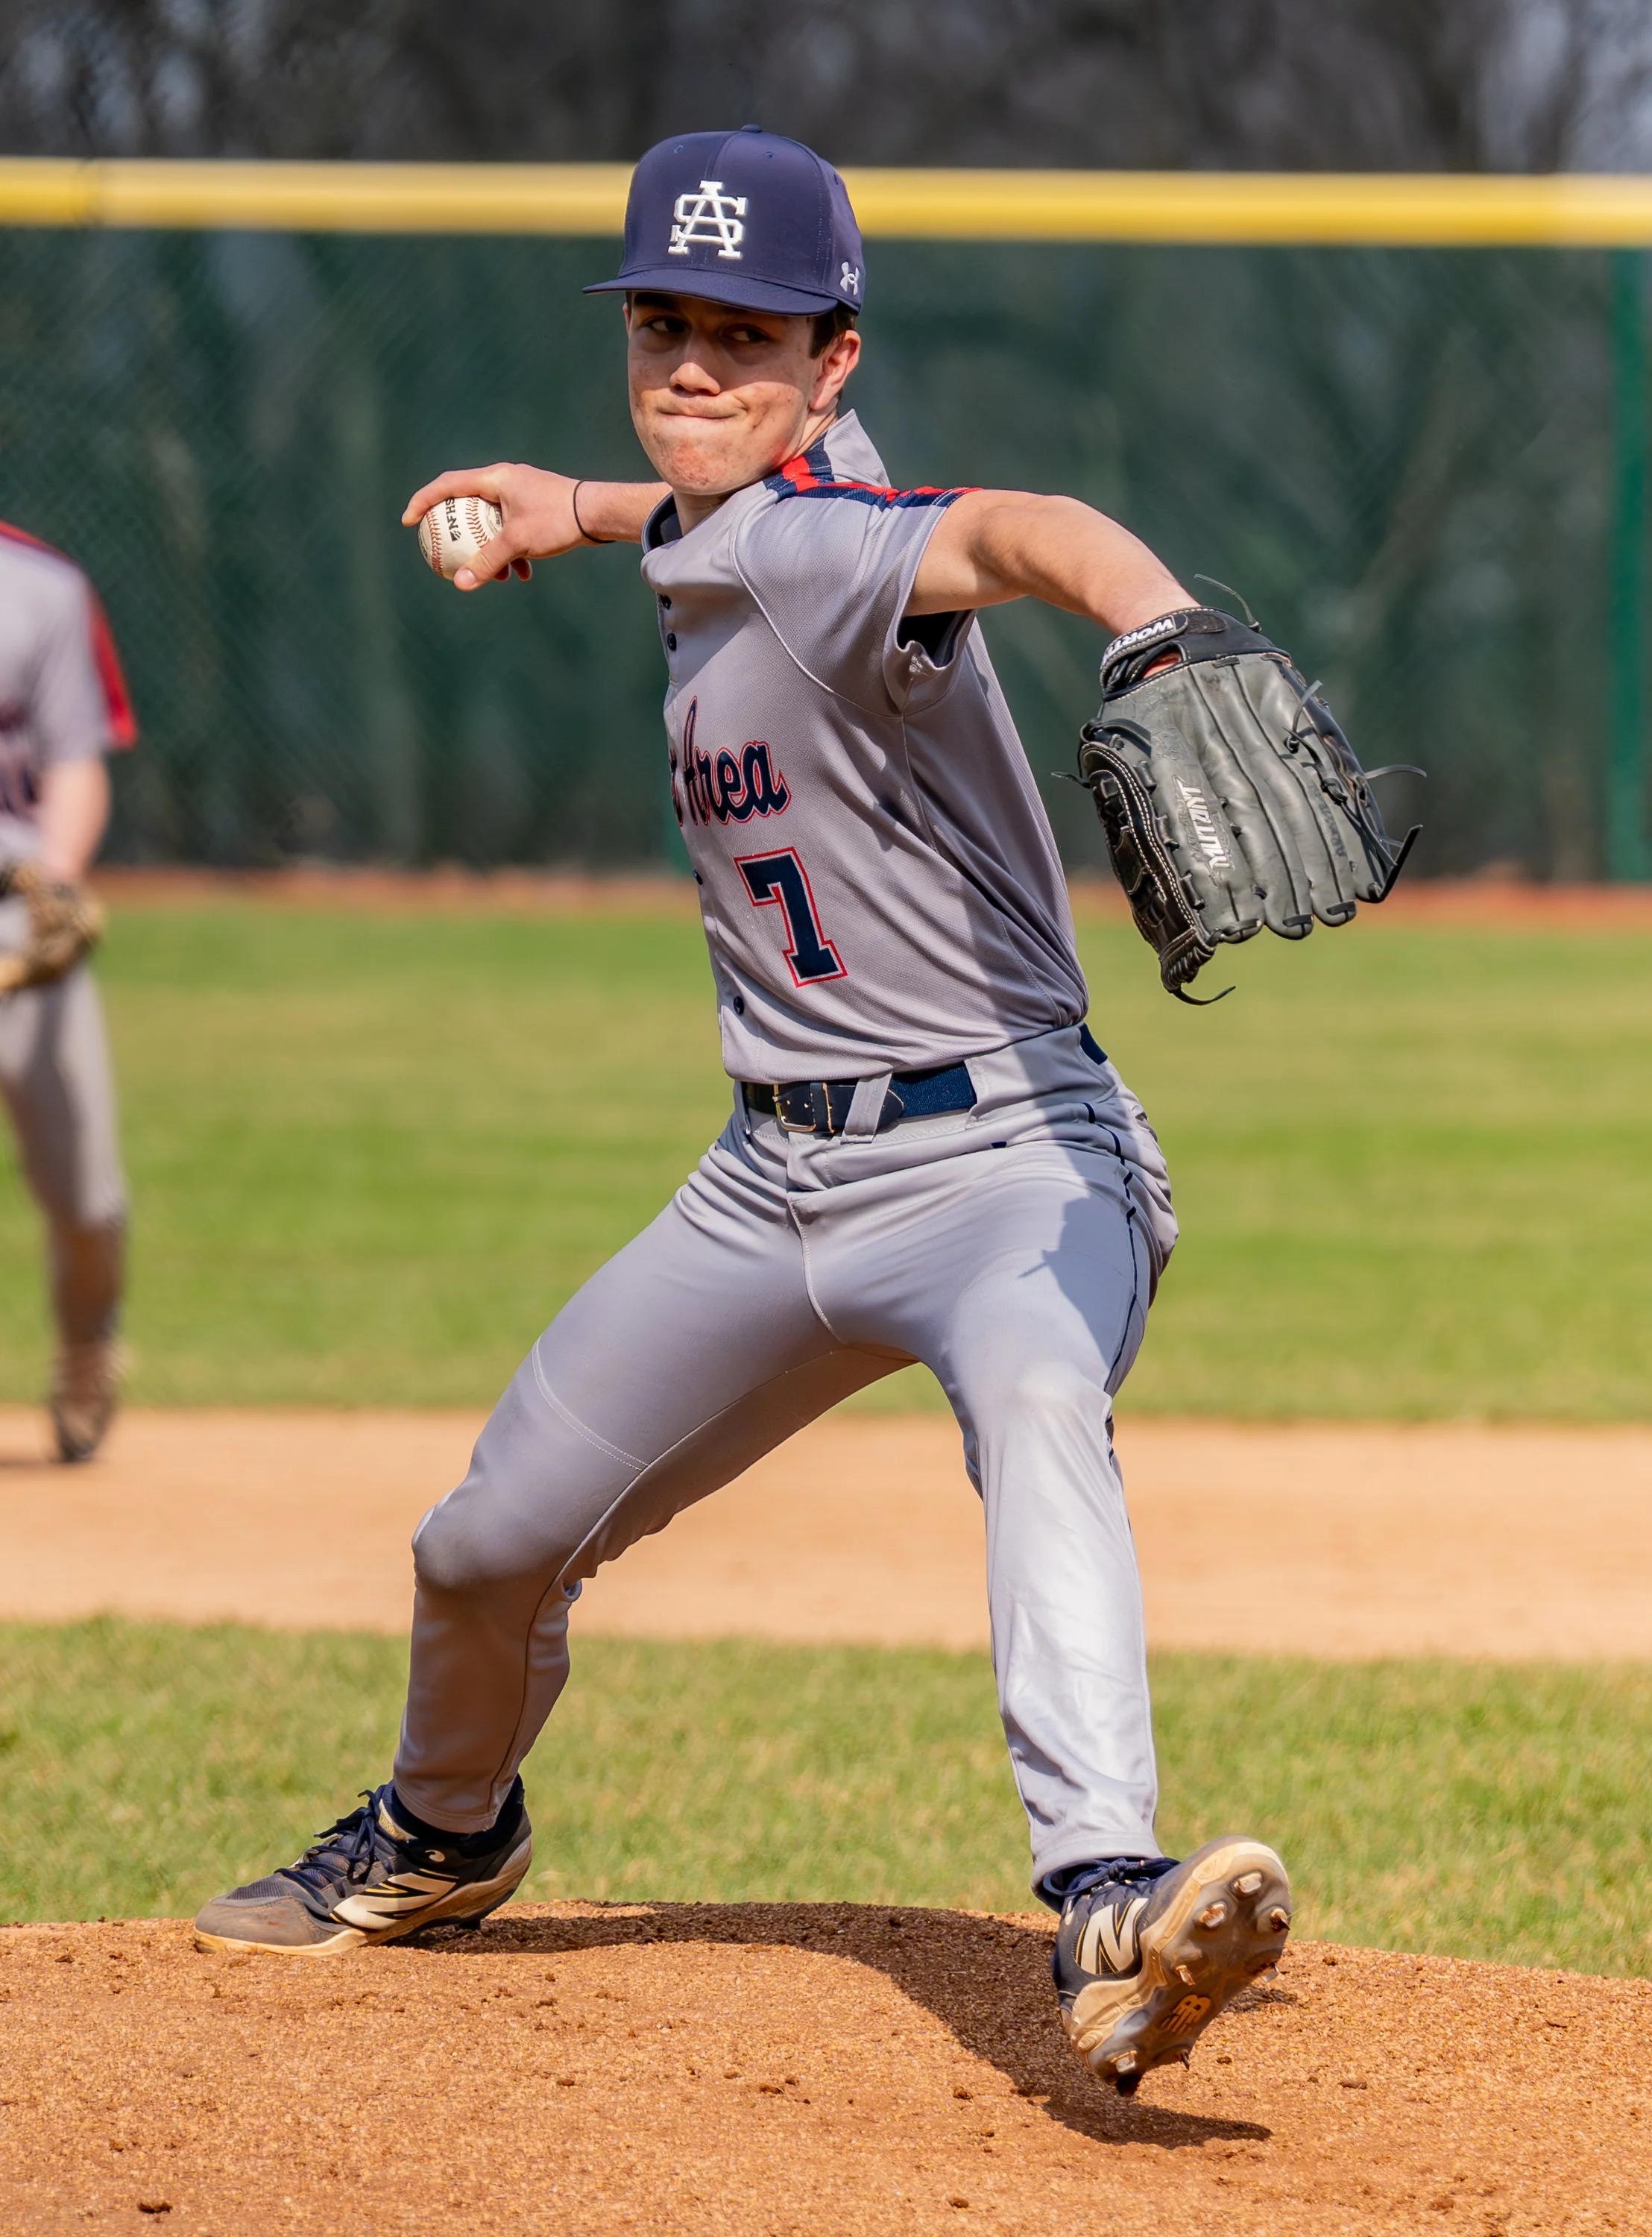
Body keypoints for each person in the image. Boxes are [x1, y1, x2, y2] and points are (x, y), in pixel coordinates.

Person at [195, 129, 1290, 2098]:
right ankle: (446, 1838)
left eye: (748, 336)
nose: (697, 365)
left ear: (835, 360)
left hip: (1005, 1159)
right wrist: (576, 508)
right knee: (481, 1550)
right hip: (771, 1180)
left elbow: (1027, 528)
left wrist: (1153, 621)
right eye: (664, 324)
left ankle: (1110, 1899)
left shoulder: (847, 545)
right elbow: (709, 513)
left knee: (1038, 1406)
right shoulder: (725, 522)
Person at [0, 521, 133, 1463]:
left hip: (15, 924)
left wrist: (57, 882)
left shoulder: (39, 587)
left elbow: (75, 764)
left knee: (86, 1200)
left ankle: (88, 1343)